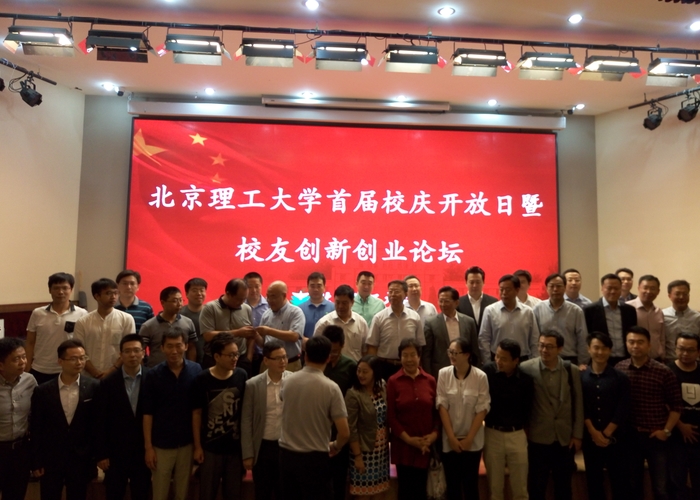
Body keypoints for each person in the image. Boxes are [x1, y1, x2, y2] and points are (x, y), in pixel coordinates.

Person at [615, 326, 682, 500]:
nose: (635, 346)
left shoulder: (663, 371)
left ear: (649, 345)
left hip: (656, 437)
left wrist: (666, 431)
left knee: (661, 488)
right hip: (631, 437)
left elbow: (676, 406)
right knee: (633, 486)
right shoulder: (619, 368)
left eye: (640, 342)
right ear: (626, 344)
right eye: (631, 342)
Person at [279, 336, 350, 500]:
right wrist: (336, 445)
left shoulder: (287, 381)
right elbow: (344, 433)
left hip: (286, 456)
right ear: (328, 358)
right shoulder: (331, 388)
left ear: (305, 356)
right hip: (315, 459)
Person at [30, 339, 99, 500]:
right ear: (60, 361)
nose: (79, 362)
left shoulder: (94, 387)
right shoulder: (43, 390)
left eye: (82, 358)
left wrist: (95, 457)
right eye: (73, 358)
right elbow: (36, 427)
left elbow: (97, 425)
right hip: (51, 459)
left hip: (81, 458)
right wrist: (36, 460)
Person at [520, 331, 584, 500]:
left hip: (564, 438)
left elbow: (578, 403)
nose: (544, 350)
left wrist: (577, 435)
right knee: (537, 486)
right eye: (541, 345)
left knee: (564, 487)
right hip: (537, 437)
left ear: (560, 348)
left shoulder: (571, 370)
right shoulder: (526, 368)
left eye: (549, 347)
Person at [142, 330, 202, 500]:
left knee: (182, 492)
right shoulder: (153, 375)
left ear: (186, 346)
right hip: (161, 445)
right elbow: (147, 414)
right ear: (162, 348)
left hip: (186, 443)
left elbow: (197, 411)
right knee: (160, 492)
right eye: (169, 346)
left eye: (178, 346)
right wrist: (148, 447)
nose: (174, 351)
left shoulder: (196, 370)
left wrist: (197, 445)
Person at [95, 334, 151, 500]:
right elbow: (100, 420)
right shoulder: (108, 382)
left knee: (141, 493)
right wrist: (101, 454)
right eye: (127, 351)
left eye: (136, 350)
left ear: (143, 353)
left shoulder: (153, 378)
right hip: (115, 453)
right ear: (120, 355)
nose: (132, 355)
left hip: (143, 451)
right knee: (114, 493)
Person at [192, 333, 247, 500]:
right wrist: (197, 446)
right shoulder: (202, 379)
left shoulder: (241, 375)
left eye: (236, 354)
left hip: (235, 449)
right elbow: (197, 414)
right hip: (210, 448)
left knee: (233, 494)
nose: (235, 358)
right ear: (216, 356)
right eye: (230, 355)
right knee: (207, 493)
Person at [436, 337, 490, 500]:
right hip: (450, 440)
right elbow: (442, 406)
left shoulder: (480, 376)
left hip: (472, 441)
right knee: (453, 486)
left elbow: (482, 409)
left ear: (467, 355)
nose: (451, 356)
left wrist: (469, 439)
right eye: (450, 352)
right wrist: (451, 437)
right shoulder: (443, 374)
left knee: (470, 485)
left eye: (455, 353)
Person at [386, 338, 439, 500]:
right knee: (405, 491)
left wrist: (432, 436)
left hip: (425, 446)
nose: (409, 359)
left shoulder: (430, 380)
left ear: (419, 356)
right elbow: (391, 417)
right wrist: (409, 440)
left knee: (422, 491)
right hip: (403, 446)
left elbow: (437, 413)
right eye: (405, 355)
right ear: (400, 357)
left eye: (412, 355)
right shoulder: (393, 381)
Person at [580, 332, 630, 500]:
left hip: (616, 439)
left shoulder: (620, 377)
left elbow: (623, 408)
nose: (600, 352)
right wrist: (593, 432)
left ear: (610, 350)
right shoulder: (581, 377)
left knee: (619, 483)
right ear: (589, 349)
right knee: (594, 482)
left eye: (604, 348)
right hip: (590, 439)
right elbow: (582, 407)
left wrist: (607, 433)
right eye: (596, 348)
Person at [482, 339, 534, 500]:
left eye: (504, 359)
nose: (498, 361)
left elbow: (528, 409)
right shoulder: (487, 373)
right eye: (497, 356)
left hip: (516, 434)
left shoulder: (525, 380)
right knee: (495, 490)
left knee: (520, 489)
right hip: (492, 433)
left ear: (516, 360)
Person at [241, 339, 290, 500]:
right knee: (262, 492)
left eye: (284, 357)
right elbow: (246, 420)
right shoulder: (253, 384)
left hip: (286, 447)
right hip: (262, 447)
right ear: (266, 360)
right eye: (278, 358)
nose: (283, 361)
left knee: (285, 492)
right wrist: (248, 453)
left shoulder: (294, 381)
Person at [25, 272, 87, 385]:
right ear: (50, 290)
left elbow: (84, 344)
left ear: (71, 290)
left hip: (67, 369)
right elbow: (30, 342)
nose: (60, 292)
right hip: (40, 368)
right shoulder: (38, 313)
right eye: (56, 288)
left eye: (65, 288)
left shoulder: (82, 314)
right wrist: (27, 366)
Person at [346, 355, 390, 500]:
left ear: (375, 372)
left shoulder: (382, 386)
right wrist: (358, 457)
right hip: (363, 450)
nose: (360, 375)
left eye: (365, 372)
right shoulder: (353, 394)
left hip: (381, 450)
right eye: (359, 370)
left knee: (380, 491)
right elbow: (351, 428)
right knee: (363, 494)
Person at [322, 325, 358, 500]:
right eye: (328, 351)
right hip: (320, 428)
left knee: (339, 478)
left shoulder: (350, 366)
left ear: (343, 346)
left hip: (341, 430)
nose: (331, 355)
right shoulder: (317, 364)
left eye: (335, 351)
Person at [73, 278, 135, 379]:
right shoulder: (83, 322)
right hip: (89, 376)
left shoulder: (126, 319)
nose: (113, 297)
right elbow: (79, 351)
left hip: (117, 375)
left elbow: (128, 349)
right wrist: (95, 373)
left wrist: (112, 371)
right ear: (97, 296)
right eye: (108, 293)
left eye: (116, 293)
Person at [0, 338, 37, 500]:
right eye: (16, 359)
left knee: (16, 495)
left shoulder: (30, 381)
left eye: (24, 357)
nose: (22, 362)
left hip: (20, 451)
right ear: (1, 365)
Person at [366, 280, 424, 381]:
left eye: (396, 291)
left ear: (405, 294)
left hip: (408, 365)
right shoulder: (379, 317)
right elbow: (372, 347)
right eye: (390, 292)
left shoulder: (415, 317)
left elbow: (420, 345)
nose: (393, 295)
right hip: (384, 366)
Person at [667, 332, 700, 500]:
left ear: (698, 352)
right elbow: (663, 403)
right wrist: (680, 425)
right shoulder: (666, 371)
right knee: (677, 484)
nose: (685, 353)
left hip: (699, 437)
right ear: (675, 349)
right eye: (681, 348)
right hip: (675, 437)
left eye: (690, 350)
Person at [422, 285, 480, 379]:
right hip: (439, 372)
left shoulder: (469, 322)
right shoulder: (431, 323)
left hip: (465, 371)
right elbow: (426, 354)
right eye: (441, 301)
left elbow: (475, 350)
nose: (443, 304)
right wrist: (428, 376)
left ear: (456, 303)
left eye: (446, 301)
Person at [479, 274, 540, 363]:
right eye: (501, 289)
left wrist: (534, 362)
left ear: (517, 290)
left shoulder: (528, 312)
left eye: (508, 289)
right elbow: (484, 339)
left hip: (522, 360)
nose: (504, 293)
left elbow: (534, 340)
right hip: (498, 360)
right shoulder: (490, 310)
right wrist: (488, 362)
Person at [200, 278, 255, 375]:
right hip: (215, 359)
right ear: (228, 294)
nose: (242, 302)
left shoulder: (247, 309)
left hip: (240, 359)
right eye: (239, 299)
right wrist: (238, 333)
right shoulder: (210, 308)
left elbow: (251, 336)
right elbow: (207, 335)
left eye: (244, 299)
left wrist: (249, 357)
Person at [533, 273, 588, 364]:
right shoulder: (538, 309)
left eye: (559, 286)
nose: (555, 289)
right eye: (552, 286)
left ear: (565, 287)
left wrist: (582, 362)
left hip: (569, 359)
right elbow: (534, 338)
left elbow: (582, 339)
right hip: (544, 358)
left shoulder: (576, 311)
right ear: (546, 288)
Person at [583, 273, 637, 366]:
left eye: (616, 288)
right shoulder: (589, 310)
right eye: (609, 288)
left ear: (621, 289)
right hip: (601, 358)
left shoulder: (629, 310)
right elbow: (586, 337)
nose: (613, 291)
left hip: (625, 358)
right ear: (602, 288)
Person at [139, 286, 197, 367]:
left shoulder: (188, 322)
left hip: (182, 370)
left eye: (181, 300)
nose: (179, 304)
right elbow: (140, 350)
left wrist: (191, 367)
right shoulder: (148, 326)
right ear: (163, 303)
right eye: (175, 301)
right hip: (156, 371)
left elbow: (191, 348)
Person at [256, 280, 305, 371]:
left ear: (284, 296)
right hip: (268, 364)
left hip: (289, 364)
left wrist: (268, 331)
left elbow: (294, 336)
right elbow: (263, 343)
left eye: (273, 296)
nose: (269, 300)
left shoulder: (295, 312)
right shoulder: (266, 314)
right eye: (268, 296)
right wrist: (255, 335)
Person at [314, 284, 369, 362]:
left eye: (344, 303)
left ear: (352, 302)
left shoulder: (361, 323)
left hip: (354, 367)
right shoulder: (324, 323)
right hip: (330, 366)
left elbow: (365, 350)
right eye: (337, 302)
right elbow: (315, 350)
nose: (340, 306)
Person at [626, 275, 672, 361]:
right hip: (634, 359)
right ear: (639, 288)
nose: (648, 291)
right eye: (645, 288)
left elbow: (661, 338)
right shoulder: (627, 308)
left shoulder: (658, 311)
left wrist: (662, 355)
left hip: (656, 359)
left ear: (658, 291)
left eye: (653, 288)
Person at [663, 280, 700, 351]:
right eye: (677, 294)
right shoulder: (662, 315)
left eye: (685, 294)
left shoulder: (697, 317)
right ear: (669, 296)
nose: (681, 297)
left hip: (691, 357)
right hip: (668, 357)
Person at [458, 266, 498, 331]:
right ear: (466, 283)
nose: (475, 285)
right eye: (471, 282)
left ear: (483, 282)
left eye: (478, 282)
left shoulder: (493, 302)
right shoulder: (458, 303)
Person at [244, 272, 269, 375]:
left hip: (265, 354)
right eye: (250, 287)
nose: (253, 290)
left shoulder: (270, 305)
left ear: (261, 286)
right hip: (243, 355)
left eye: (257, 286)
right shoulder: (239, 305)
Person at [115, 269, 154, 334]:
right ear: (117, 286)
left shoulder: (146, 308)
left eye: (132, 283)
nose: (128, 287)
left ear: (138, 286)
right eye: (125, 283)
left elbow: (151, 332)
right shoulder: (111, 307)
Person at [180, 277, 208, 365]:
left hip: (208, 359)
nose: (199, 293)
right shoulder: (180, 314)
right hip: (185, 360)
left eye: (202, 290)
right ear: (186, 294)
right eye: (194, 290)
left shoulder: (211, 312)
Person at [299, 271, 334, 339]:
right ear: (307, 287)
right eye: (312, 286)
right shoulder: (300, 309)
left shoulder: (333, 308)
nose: (315, 289)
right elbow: (297, 332)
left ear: (324, 288)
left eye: (319, 286)